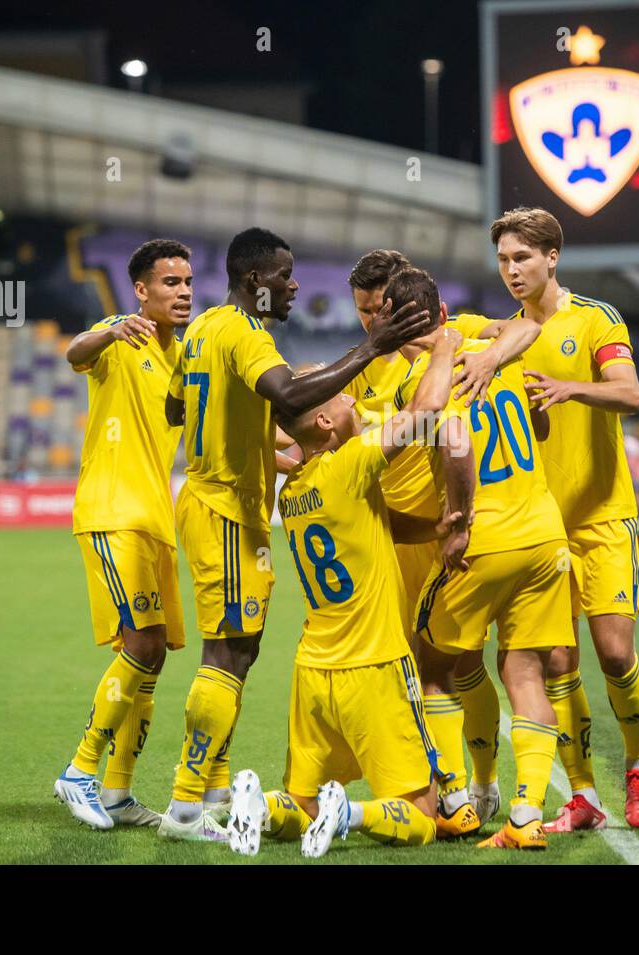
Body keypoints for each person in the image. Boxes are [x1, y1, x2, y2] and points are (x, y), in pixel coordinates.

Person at [158, 228, 436, 842]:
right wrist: (372, 348)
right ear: (256, 281)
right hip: (227, 507)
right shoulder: (245, 332)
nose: (294, 286)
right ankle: (184, 805)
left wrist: (254, 448)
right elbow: (284, 392)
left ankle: (220, 786)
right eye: (285, 276)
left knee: (240, 648)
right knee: (227, 651)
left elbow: (178, 409)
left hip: (215, 498)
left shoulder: (202, 328)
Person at [222, 324, 460, 858]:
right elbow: (425, 412)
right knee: (423, 816)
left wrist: (434, 528)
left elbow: (379, 524)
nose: (354, 394)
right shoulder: (349, 466)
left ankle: (258, 810)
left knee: (300, 802)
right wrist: (445, 346)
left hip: (314, 670)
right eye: (341, 394)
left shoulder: (295, 491)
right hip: (374, 664)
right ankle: (349, 813)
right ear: (327, 421)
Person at [343, 249, 541, 825]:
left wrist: (477, 357)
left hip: (446, 529)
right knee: (403, 669)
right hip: (389, 537)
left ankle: (476, 786)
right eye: (363, 312)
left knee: (459, 666)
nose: (372, 323)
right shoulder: (361, 362)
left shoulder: (451, 336)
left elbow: (524, 325)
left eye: (380, 310)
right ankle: (427, 784)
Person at [390, 265, 572, 850]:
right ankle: (525, 816)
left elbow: (458, 442)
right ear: (442, 312)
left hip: (485, 541)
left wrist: (459, 524)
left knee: (431, 665)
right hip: (544, 535)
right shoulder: (493, 352)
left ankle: (456, 802)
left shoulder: (426, 376)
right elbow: (536, 413)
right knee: (524, 672)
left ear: (396, 323)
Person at [493, 206, 639, 832]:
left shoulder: (595, 318)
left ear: (552, 257)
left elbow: (631, 393)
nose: (512, 269)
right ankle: (583, 795)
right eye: (504, 259)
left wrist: (571, 390)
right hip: (539, 530)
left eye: (523, 258)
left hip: (603, 517)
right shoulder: (508, 335)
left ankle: (638, 767)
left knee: (615, 654)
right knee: (558, 662)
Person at [53, 238, 192, 830]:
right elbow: (73, 351)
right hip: (113, 511)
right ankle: (79, 773)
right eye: (169, 282)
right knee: (139, 645)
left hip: (156, 520)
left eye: (187, 282)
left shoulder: (186, 355)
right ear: (141, 290)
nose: (182, 291)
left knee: (153, 654)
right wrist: (108, 333)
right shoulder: (120, 332)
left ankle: (117, 792)